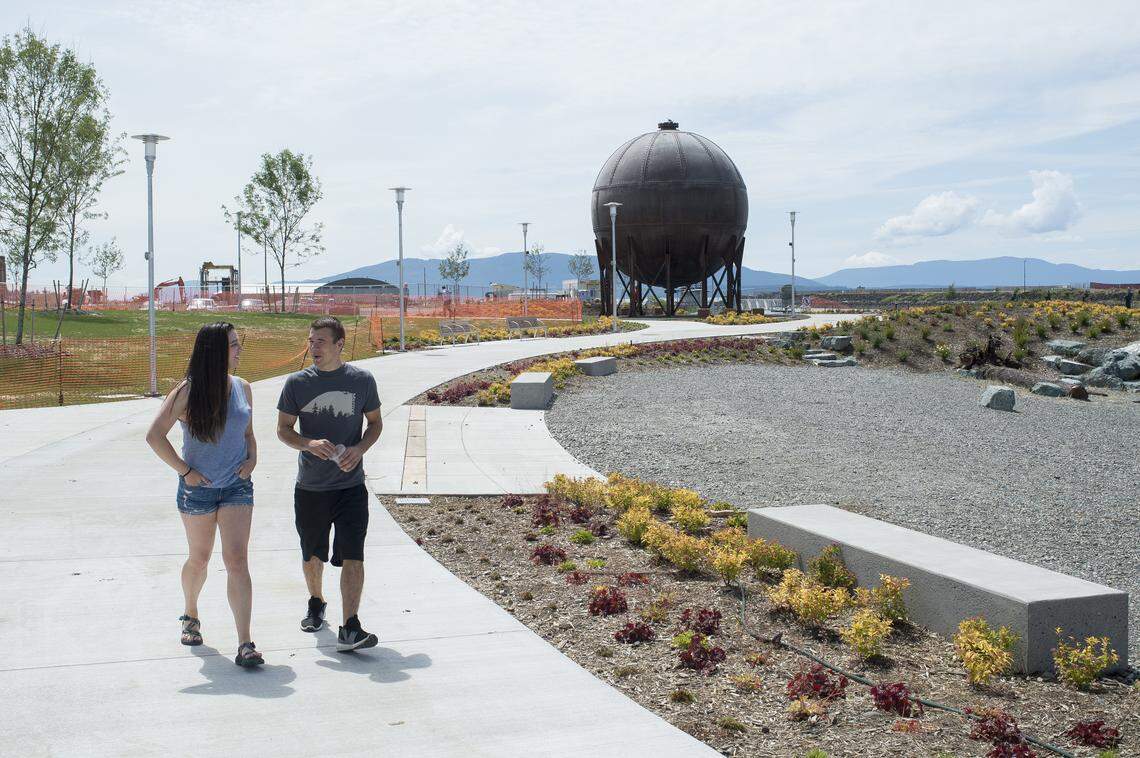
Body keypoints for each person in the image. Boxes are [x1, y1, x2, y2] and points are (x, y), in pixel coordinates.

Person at [146, 322, 263, 667]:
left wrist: (253, 458)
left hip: (237, 487)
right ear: (215, 351)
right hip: (197, 492)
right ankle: (191, 614)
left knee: (237, 561)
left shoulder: (244, 388)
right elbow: (155, 436)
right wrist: (185, 470)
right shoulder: (187, 390)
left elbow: (249, 434)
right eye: (233, 345)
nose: (239, 350)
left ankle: (245, 643)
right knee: (199, 558)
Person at [277, 317, 383, 651]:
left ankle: (350, 626)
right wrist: (308, 444)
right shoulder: (297, 383)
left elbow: (375, 423)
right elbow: (283, 429)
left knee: (354, 554)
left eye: (321, 341)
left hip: (351, 486)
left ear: (340, 345)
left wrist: (360, 448)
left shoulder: (362, 380)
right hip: (311, 487)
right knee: (312, 554)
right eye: (311, 341)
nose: (314, 347)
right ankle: (315, 601)